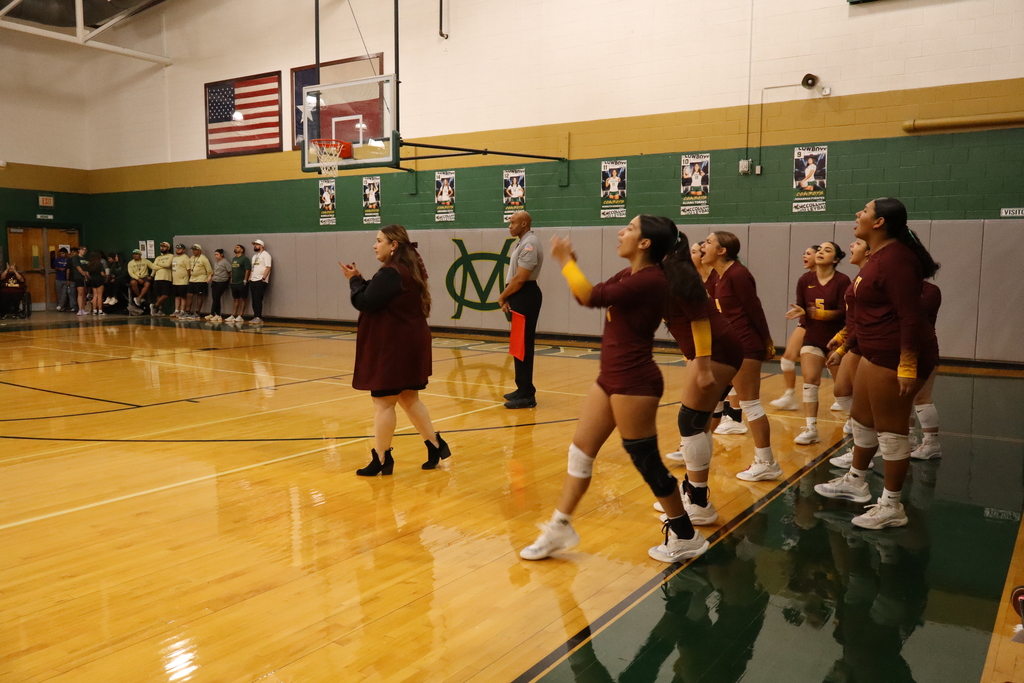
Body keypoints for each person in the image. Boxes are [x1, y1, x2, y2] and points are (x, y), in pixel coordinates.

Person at [520, 215, 708, 564]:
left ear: (645, 243)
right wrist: (572, 265)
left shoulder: (652, 279)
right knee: (580, 453)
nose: (621, 233)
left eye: (630, 229)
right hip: (610, 379)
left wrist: (564, 260)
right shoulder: (631, 274)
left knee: (647, 462)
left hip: (635, 382)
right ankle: (560, 526)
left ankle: (686, 535)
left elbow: (590, 296)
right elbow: (589, 296)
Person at [814, 198, 940, 530]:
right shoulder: (877, 258)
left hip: (895, 354)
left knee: (892, 431)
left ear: (880, 222)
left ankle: (892, 505)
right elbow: (866, 313)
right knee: (861, 417)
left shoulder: (896, 259)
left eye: (865, 211)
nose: (858, 214)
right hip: (874, 351)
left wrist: (908, 365)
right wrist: (847, 344)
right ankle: (856, 480)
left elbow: (910, 315)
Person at [339, 224, 451, 475]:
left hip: (395, 346)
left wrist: (354, 281)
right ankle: (435, 445)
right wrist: (360, 279)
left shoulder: (391, 272)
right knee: (409, 398)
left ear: (393, 246)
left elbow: (364, 301)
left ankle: (381, 460)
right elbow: (379, 294)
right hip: (409, 342)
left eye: (379, 240)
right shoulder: (405, 269)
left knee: (383, 403)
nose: (374, 245)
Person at [658, 235, 744, 526]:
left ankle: (699, 503)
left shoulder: (675, 276)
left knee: (691, 421)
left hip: (715, 349)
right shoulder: (666, 274)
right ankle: (695, 493)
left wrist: (704, 366)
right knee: (698, 420)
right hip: (711, 349)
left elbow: (700, 320)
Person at [702, 231, 781, 481]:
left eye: (708, 242)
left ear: (722, 250)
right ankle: (696, 450)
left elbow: (754, 310)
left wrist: (767, 342)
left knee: (750, 403)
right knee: (709, 397)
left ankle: (766, 461)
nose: (703, 245)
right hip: (728, 347)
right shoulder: (717, 275)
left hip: (746, 345)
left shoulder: (738, 274)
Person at [785, 242, 851, 445]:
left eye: (827, 250)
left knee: (842, 388)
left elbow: (846, 312)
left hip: (837, 340)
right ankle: (811, 428)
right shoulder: (805, 280)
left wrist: (822, 314)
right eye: (819, 249)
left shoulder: (842, 281)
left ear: (836, 259)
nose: (821, 252)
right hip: (813, 337)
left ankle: (854, 421)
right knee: (810, 380)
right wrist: (802, 313)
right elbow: (803, 307)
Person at [825, 238, 870, 468]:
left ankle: (863, 452)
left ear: (869, 252)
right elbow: (852, 319)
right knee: (842, 392)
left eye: (858, 243)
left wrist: (844, 348)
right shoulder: (858, 278)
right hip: (854, 341)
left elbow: (863, 321)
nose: (851, 245)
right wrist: (841, 336)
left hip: (863, 346)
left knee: (860, 403)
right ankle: (863, 443)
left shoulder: (869, 277)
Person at [497, 211, 543, 409]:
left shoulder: (530, 244)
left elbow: (520, 279)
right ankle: (521, 387)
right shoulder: (522, 241)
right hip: (520, 295)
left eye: (513, 222)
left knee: (524, 345)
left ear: (524, 224)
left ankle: (527, 395)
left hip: (526, 294)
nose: (510, 225)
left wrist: (503, 295)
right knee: (518, 344)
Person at [770, 245, 820, 411]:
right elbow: (801, 305)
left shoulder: (836, 279)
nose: (804, 256)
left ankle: (842, 396)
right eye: (803, 253)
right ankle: (790, 395)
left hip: (829, 326)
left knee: (833, 364)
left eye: (809, 253)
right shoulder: (804, 280)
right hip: (807, 323)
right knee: (786, 359)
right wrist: (798, 312)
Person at [911, 280, 942, 460]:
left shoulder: (930, 291)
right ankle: (908, 438)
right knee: (902, 398)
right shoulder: (895, 286)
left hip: (924, 349)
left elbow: (914, 316)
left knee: (921, 396)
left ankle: (932, 443)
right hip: (897, 348)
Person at [248, 239, 272, 324]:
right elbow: (253, 268)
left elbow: (268, 267)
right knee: (254, 299)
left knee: (258, 298)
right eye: (254, 245)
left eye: (257, 245)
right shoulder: (254, 256)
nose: (255, 246)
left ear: (261, 246)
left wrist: (263, 278)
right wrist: (250, 278)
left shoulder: (266, 255)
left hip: (260, 280)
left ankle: (259, 317)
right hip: (253, 280)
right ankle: (255, 315)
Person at [185, 244, 212, 320]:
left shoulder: (204, 259)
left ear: (199, 251)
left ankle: (197, 312)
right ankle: (187, 311)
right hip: (192, 280)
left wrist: (207, 279)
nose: (193, 251)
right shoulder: (191, 258)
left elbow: (209, 270)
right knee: (189, 295)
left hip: (201, 280)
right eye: (193, 250)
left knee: (199, 296)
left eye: (195, 250)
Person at [228, 244, 251, 322]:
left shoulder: (245, 259)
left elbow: (247, 270)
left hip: (241, 282)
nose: (235, 248)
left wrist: (245, 279)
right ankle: (233, 314)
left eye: (237, 247)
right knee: (235, 299)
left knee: (243, 299)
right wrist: (231, 279)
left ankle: (240, 315)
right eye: (235, 247)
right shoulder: (233, 259)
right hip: (234, 282)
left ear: (242, 250)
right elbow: (232, 270)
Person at [150, 242, 173, 316]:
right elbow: (153, 267)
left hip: (166, 278)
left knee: (165, 295)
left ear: (168, 248)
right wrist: (152, 275)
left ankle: (154, 306)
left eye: (164, 247)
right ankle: (160, 310)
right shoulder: (158, 258)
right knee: (158, 295)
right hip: (157, 278)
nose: (162, 248)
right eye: (161, 247)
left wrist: (158, 265)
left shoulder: (171, 256)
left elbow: (168, 265)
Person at [208, 249, 231, 322]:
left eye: (217, 254)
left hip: (222, 282)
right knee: (215, 298)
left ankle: (213, 313)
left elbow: (230, 271)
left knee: (217, 297)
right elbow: (215, 271)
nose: (216, 256)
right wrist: (210, 276)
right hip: (215, 281)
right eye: (215, 255)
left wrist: (227, 280)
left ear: (221, 254)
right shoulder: (216, 263)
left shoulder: (225, 262)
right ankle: (217, 314)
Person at [170, 244, 190, 317]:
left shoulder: (186, 258)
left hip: (183, 281)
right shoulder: (175, 258)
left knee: (183, 297)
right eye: (177, 248)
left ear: (183, 250)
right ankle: (176, 310)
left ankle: (182, 311)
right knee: (177, 296)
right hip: (175, 281)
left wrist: (188, 277)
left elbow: (188, 270)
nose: (178, 250)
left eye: (180, 249)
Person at [85, 250, 107, 315]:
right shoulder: (99, 264)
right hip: (99, 280)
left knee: (95, 295)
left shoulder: (89, 264)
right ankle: (100, 310)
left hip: (93, 280)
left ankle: (94, 310)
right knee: (100, 296)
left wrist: (90, 278)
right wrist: (106, 276)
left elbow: (87, 274)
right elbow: (102, 273)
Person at [54, 247, 74, 311]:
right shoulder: (57, 259)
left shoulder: (69, 260)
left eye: (63, 253)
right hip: (58, 278)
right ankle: (61, 306)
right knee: (59, 293)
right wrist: (59, 269)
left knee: (64, 293)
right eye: (60, 253)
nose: (61, 255)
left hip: (66, 279)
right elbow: (55, 267)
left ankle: (61, 305)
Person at [72, 246, 89, 315]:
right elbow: (78, 267)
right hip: (79, 277)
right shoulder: (76, 257)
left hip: (86, 277)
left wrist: (87, 275)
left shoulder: (86, 258)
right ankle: (80, 309)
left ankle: (83, 308)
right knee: (80, 292)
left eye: (85, 250)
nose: (84, 251)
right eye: (82, 250)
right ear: (79, 250)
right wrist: (83, 273)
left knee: (85, 293)